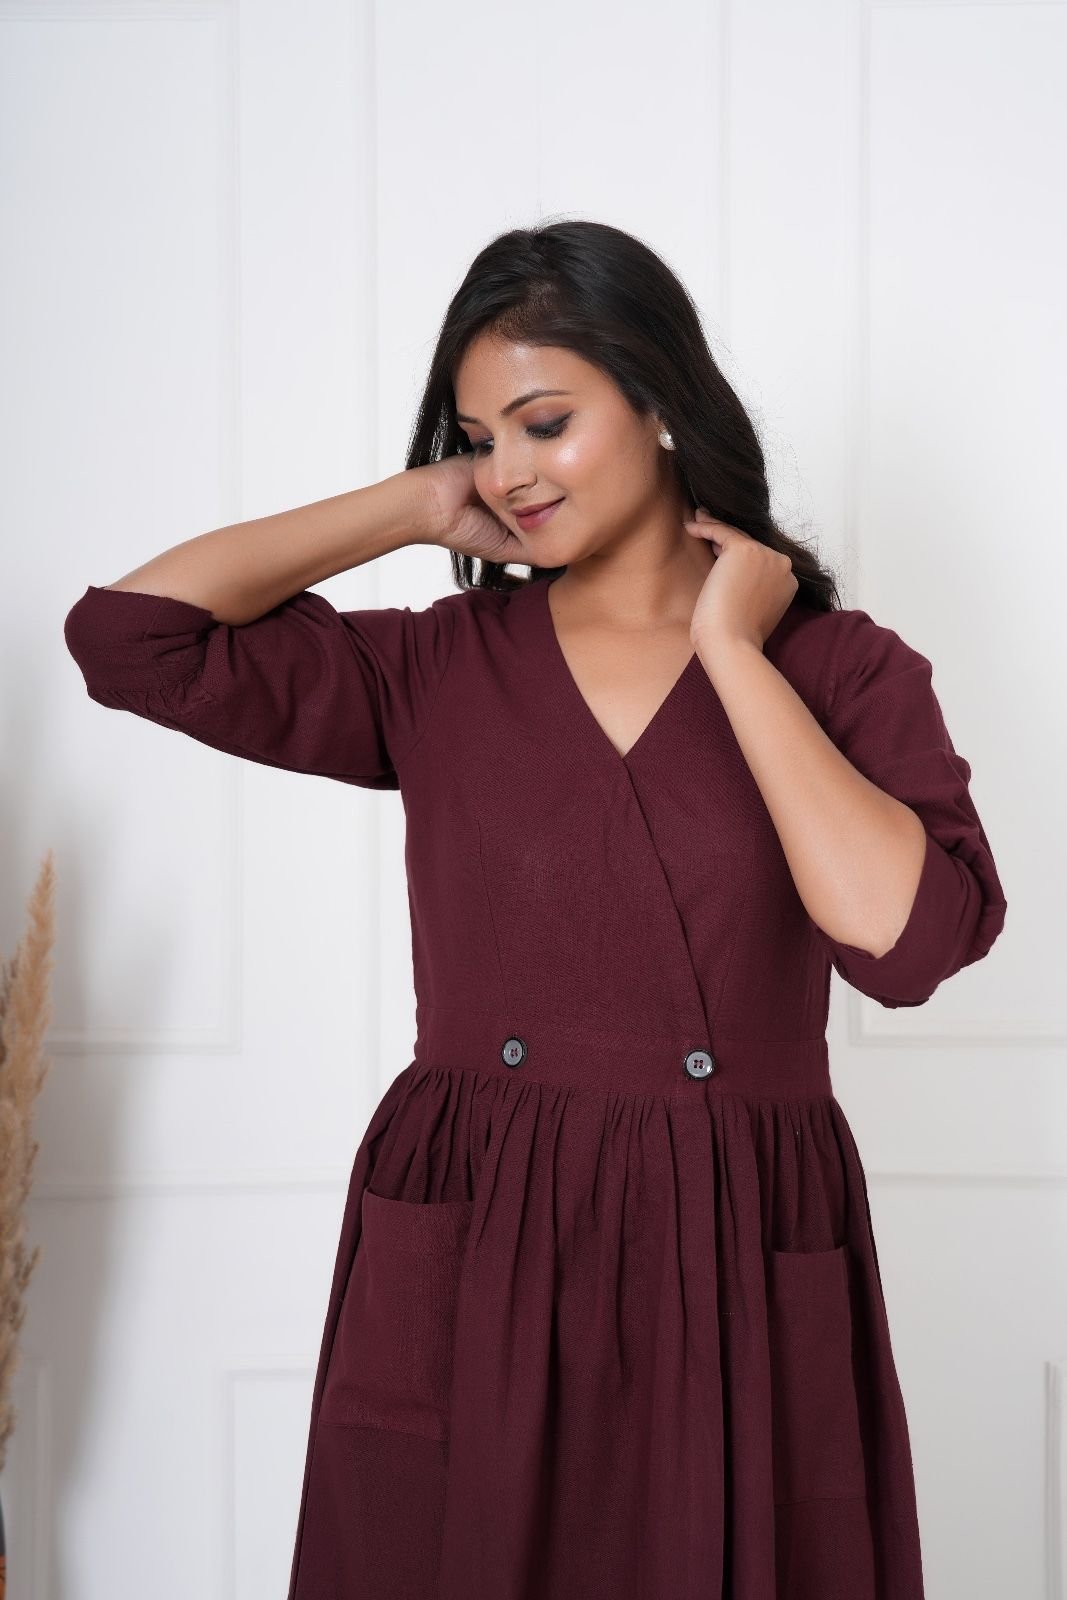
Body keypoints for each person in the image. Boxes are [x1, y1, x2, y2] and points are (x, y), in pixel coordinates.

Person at [63, 219, 1007, 1599]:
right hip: (481, 1226)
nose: (508, 471)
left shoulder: (842, 671)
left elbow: (907, 944)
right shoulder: (434, 669)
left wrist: (734, 650)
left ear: (663, 402)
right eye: (477, 438)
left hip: (732, 1231)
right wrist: (410, 507)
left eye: (546, 423)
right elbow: (128, 639)